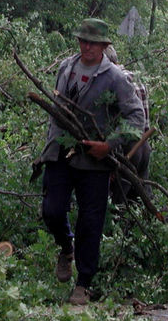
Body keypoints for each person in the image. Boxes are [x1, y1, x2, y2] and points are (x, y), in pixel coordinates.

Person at [39, 19, 146, 305]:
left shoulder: (115, 78)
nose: (86, 46)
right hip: (60, 153)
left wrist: (110, 145)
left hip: (94, 161)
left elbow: (137, 119)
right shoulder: (66, 68)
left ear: (104, 46)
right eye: (83, 40)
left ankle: (83, 283)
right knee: (51, 209)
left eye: (93, 42)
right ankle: (66, 247)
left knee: (91, 221)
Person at [103, 44, 152, 204]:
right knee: (144, 198)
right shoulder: (136, 79)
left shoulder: (114, 82)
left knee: (118, 201)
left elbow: (113, 123)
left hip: (128, 150)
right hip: (144, 145)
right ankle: (165, 224)